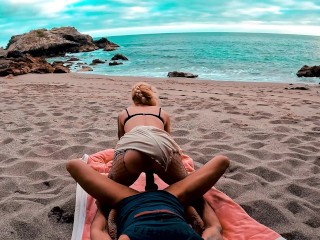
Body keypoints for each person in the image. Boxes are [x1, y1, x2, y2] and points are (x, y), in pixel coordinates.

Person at [66, 155, 230, 240]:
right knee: (222, 161)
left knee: (73, 165)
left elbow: (98, 230)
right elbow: (214, 227)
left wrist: (103, 205)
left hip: (132, 201)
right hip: (168, 199)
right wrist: (198, 200)